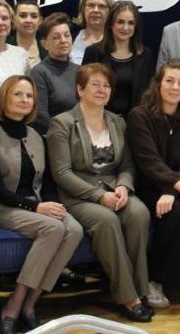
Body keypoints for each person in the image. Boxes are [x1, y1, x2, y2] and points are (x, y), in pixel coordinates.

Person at [46, 63, 153, 322]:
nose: (102, 90)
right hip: (79, 195)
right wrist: (99, 196)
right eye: (95, 85)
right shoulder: (62, 123)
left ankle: (141, 289)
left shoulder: (118, 121)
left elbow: (127, 165)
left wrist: (123, 187)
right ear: (80, 89)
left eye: (106, 86)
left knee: (139, 213)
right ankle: (127, 297)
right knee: (106, 220)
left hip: (114, 188)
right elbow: (62, 173)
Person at [0, 76, 83, 334]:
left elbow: (47, 183)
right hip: (3, 207)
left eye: (29, 96)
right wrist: (37, 208)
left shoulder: (37, 136)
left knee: (74, 229)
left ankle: (30, 304)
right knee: (53, 228)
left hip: (37, 206)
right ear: (4, 98)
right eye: (18, 94)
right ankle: (14, 306)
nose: (24, 100)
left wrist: (53, 206)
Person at [126, 59, 180, 316]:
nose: (175, 87)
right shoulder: (139, 116)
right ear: (158, 83)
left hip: (176, 187)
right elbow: (149, 162)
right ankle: (157, 282)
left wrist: (174, 190)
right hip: (148, 186)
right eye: (170, 81)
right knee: (173, 212)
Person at [83, 0, 156, 115]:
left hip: (135, 120)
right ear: (111, 24)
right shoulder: (93, 52)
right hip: (100, 118)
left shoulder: (146, 55)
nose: (125, 28)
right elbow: (84, 90)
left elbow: (150, 93)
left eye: (131, 23)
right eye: (120, 22)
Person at [31, 13, 79, 135]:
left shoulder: (79, 70)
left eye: (66, 35)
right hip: (55, 137)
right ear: (44, 44)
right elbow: (40, 116)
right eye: (56, 37)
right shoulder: (40, 72)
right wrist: (67, 135)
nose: (63, 40)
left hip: (82, 135)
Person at [69, 0, 113, 65]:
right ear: (83, 9)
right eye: (91, 5)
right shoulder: (70, 37)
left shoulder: (116, 40)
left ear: (110, 11)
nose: (96, 10)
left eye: (102, 6)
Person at [9, 0, 45, 68]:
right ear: (13, 19)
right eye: (23, 16)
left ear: (40, 21)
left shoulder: (48, 48)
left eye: (34, 16)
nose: (29, 20)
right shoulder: (3, 46)